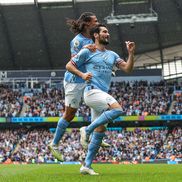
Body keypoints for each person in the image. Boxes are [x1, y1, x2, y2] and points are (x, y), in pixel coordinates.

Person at [66, 24, 135, 175]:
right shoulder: (87, 51)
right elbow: (69, 66)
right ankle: (86, 129)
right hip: (91, 92)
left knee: (101, 131)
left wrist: (130, 53)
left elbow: (128, 69)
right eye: (104, 31)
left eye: (108, 32)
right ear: (96, 35)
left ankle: (86, 166)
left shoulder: (113, 55)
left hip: (100, 95)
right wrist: (82, 75)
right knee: (117, 109)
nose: (107, 34)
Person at [48, 12, 109, 162]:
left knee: (100, 107)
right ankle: (54, 143)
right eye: (95, 20)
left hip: (89, 81)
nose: (98, 22)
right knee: (70, 114)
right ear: (88, 23)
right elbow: (72, 63)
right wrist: (85, 51)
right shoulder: (78, 41)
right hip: (74, 81)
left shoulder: (94, 38)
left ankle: (95, 136)